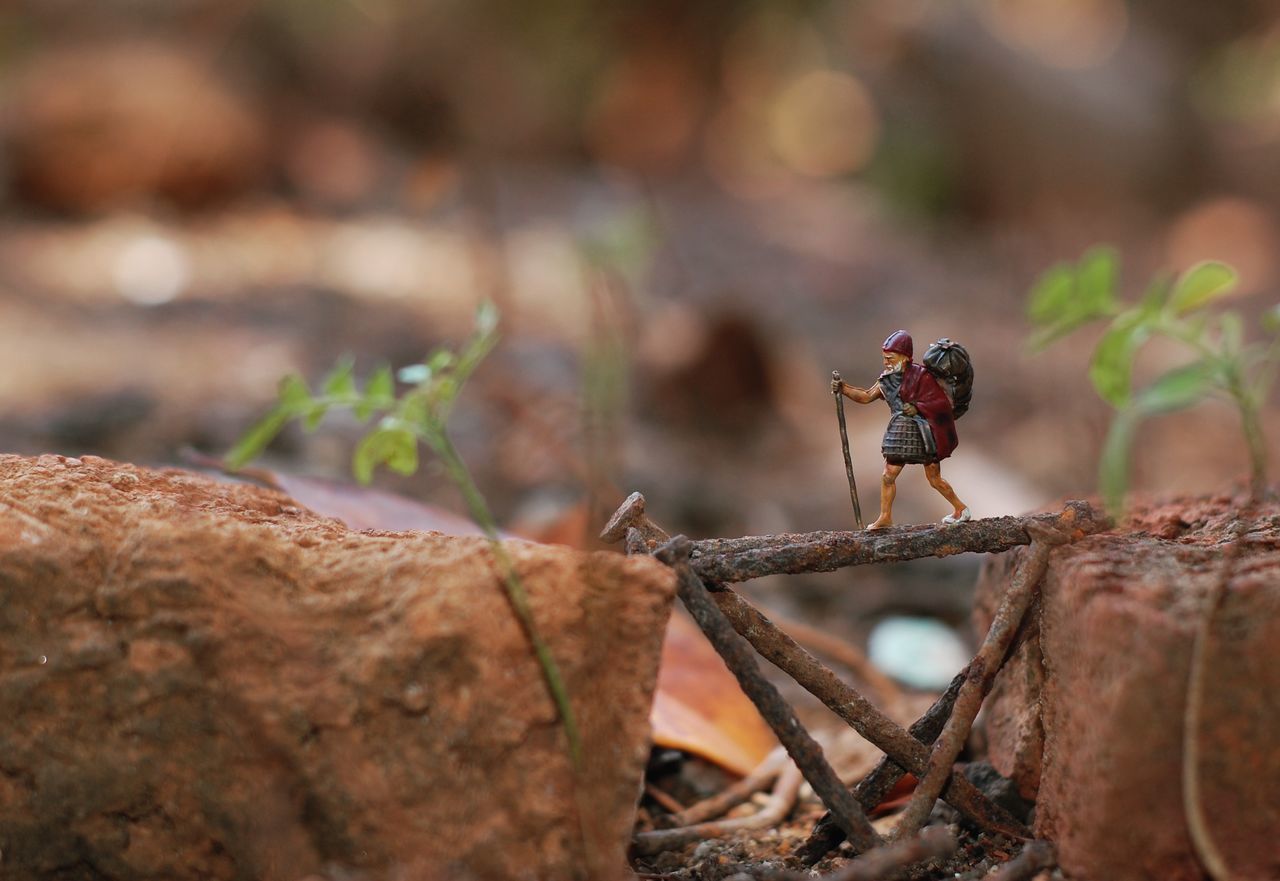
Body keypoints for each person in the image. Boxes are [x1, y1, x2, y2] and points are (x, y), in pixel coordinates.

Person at [832, 330, 970, 529]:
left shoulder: (922, 377)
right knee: (888, 476)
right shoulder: (886, 380)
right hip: (900, 435)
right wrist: (843, 389)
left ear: (905, 358)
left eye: (890, 358)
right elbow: (866, 396)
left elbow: (939, 403)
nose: (886, 362)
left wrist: (917, 407)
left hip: (924, 435)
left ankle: (961, 509)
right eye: (884, 358)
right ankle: (885, 517)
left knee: (934, 479)